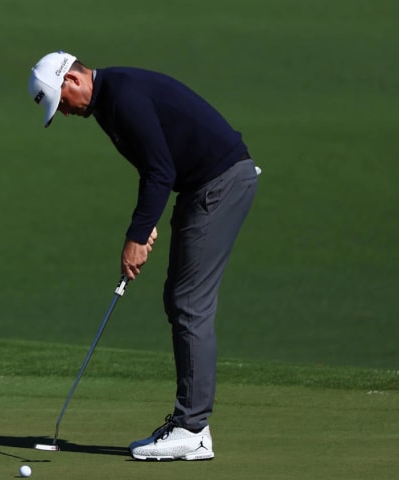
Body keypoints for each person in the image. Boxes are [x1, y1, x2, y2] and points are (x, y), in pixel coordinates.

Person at [27, 51, 259, 461]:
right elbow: (156, 165)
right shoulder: (108, 102)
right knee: (180, 300)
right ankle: (191, 424)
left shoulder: (122, 96)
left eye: (61, 103)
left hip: (218, 184)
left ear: (73, 81)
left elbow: (159, 171)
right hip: (202, 185)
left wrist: (136, 235)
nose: (63, 112)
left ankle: (193, 429)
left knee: (189, 302)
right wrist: (146, 221)